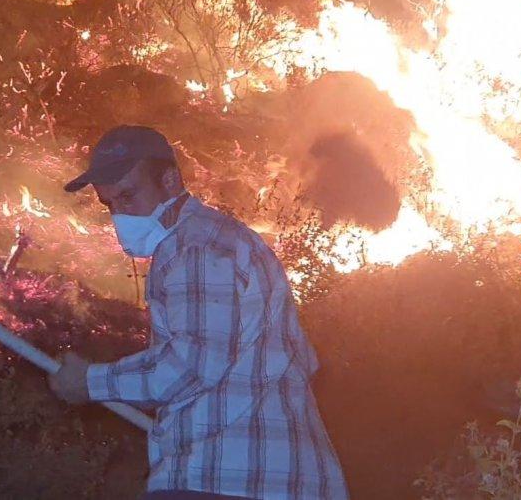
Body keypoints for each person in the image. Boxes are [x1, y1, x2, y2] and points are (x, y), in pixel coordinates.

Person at [48, 125, 349, 500]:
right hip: (261, 478)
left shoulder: (196, 246)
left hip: (231, 478)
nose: (120, 215)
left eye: (129, 195)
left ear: (170, 181)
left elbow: (191, 365)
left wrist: (91, 382)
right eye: (110, 204)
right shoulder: (216, 239)